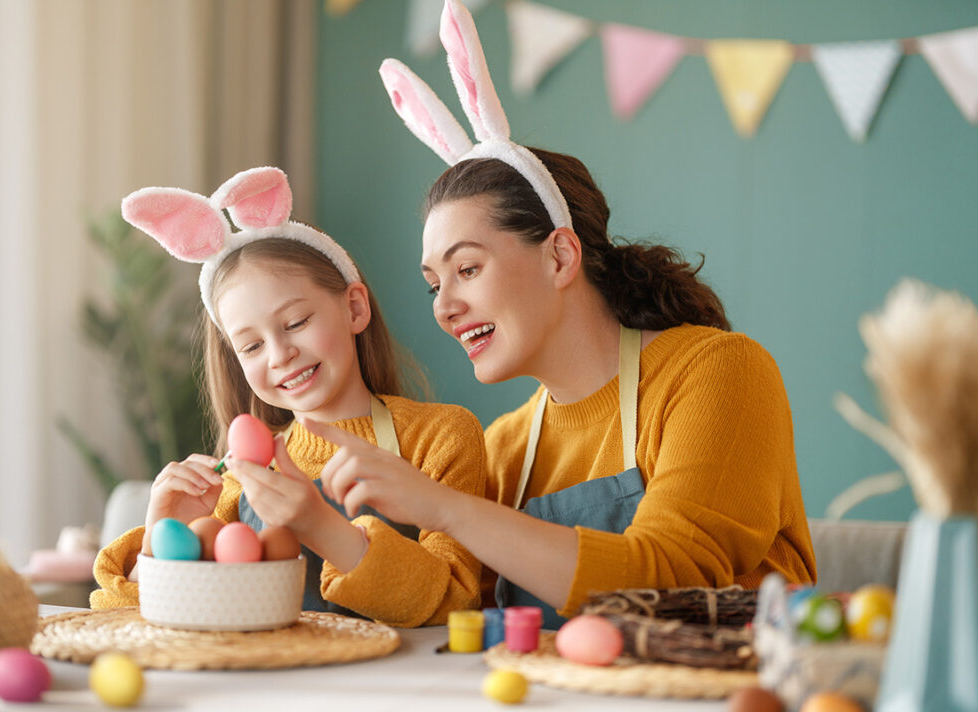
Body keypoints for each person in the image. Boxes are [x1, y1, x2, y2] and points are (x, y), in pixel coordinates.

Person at [301, 0, 816, 629]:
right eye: (434, 284)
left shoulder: (718, 373)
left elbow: (671, 576)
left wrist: (445, 508)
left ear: (560, 256)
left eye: (468, 269)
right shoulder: (504, 448)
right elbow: (445, 608)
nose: (444, 307)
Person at [90, 166, 484, 627]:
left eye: (296, 323)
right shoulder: (242, 478)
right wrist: (162, 536)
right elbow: (124, 623)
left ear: (354, 308)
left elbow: (456, 602)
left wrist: (321, 526)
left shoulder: (441, 437)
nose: (280, 355)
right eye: (252, 346)